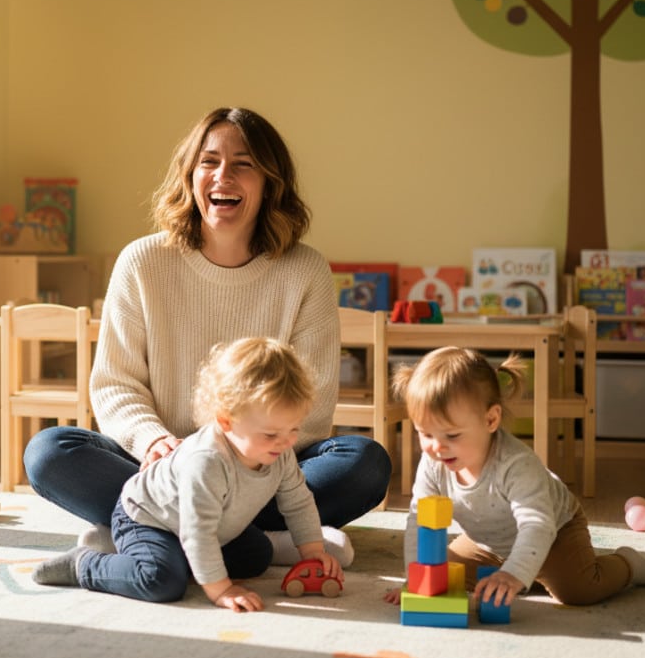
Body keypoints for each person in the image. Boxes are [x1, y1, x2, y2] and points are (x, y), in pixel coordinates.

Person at [23, 107, 391, 565]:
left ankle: (143, 531)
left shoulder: (306, 271)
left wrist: (236, 460)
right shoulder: (141, 262)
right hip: (161, 468)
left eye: (244, 164)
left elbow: (310, 404)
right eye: (209, 161)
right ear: (189, 175)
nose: (223, 176)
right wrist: (154, 440)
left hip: (261, 468)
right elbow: (116, 383)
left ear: (270, 182)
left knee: (365, 462)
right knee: (49, 452)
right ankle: (259, 545)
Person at [32, 337, 343, 611]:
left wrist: (313, 552)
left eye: (293, 429)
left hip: (207, 527)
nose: (286, 442)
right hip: (149, 518)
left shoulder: (281, 451)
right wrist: (221, 589)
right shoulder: (207, 460)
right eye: (271, 434)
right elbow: (198, 531)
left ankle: (145, 553)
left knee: (256, 555)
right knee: (161, 581)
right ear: (226, 422)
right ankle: (85, 562)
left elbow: (298, 502)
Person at [383, 347, 645, 608]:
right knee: (442, 574)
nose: (437, 447)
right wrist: (415, 580)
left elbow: (537, 525)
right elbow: (419, 521)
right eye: (426, 434)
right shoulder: (433, 463)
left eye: (452, 435)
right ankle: (524, 570)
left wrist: (514, 573)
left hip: (554, 532)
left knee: (578, 590)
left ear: (491, 420)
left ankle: (626, 563)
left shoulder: (516, 464)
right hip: (487, 541)